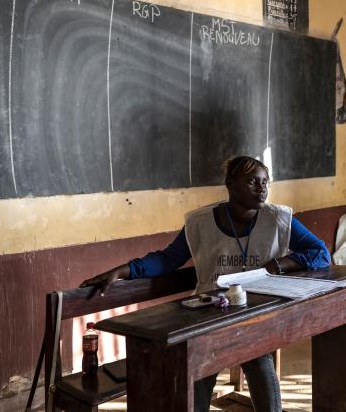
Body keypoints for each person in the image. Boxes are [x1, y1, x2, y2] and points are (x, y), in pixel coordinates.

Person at [80, 156, 331, 412]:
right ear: (231, 185)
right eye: (252, 181)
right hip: (209, 316)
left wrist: (277, 265)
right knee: (199, 370)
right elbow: (168, 259)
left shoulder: (278, 218)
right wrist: (122, 271)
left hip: (255, 315)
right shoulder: (201, 222)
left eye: (265, 181)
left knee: (259, 361)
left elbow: (320, 254)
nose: (261, 187)